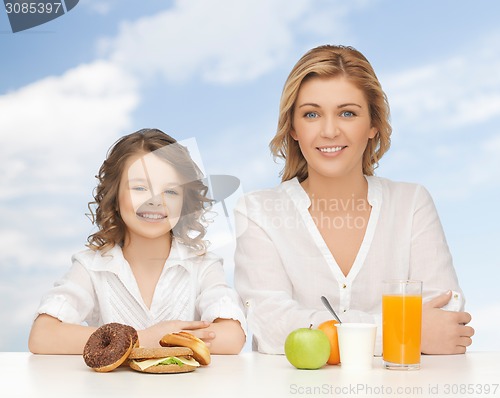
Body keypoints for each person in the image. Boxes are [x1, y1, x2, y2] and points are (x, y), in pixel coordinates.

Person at [233, 45, 474, 355]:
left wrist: (325, 333)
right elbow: (272, 326)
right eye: (311, 114)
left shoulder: (411, 202)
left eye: (347, 113)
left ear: (373, 125)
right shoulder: (258, 211)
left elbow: (446, 313)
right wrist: (403, 333)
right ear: (293, 128)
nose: (330, 130)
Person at [29, 128, 246, 354]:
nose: (154, 201)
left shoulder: (203, 265)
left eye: (171, 191)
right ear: (114, 197)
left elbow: (231, 338)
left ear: (184, 202)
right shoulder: (91, 266)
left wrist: (123, 342)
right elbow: (42, 336)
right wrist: (144, 338)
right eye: (140, 188)